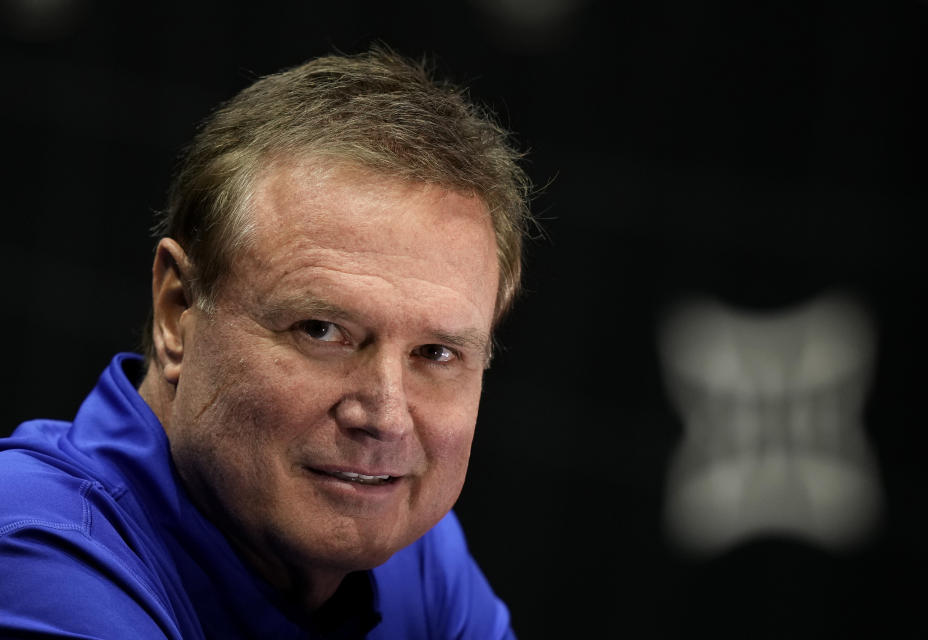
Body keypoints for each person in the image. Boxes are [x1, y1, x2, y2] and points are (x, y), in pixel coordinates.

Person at [0, 49, 530, 639]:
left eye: (435, 354)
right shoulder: (31, 548)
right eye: (322, 331)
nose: (384, 417)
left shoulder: (418, 559)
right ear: (178, 313)